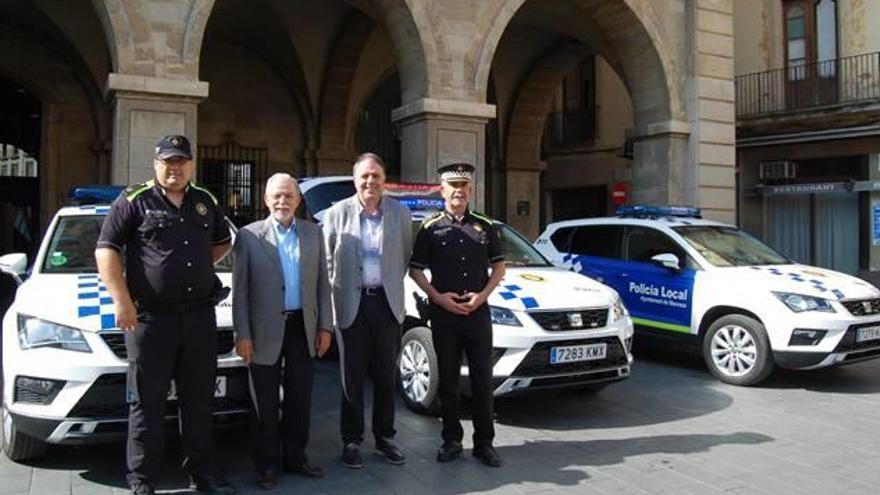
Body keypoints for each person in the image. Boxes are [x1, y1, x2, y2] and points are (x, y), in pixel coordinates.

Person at [95, 135, 235, 495]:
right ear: (156, 164)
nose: (174, 168)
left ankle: (202, 474)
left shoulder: (205, 201)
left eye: (181, 162)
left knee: (199, 401)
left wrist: (199, 268)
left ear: (191, 164)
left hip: (199, 319)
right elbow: (106, 250)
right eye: (167, 162)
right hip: (151, 321)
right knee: (147, 402)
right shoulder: (133, 201)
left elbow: (222, 241)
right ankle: (143, 480)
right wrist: (121, 299)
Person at [232, 173, 333, 490]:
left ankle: (295, 456)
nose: (282, 201)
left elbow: (322, 285)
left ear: (298, 200)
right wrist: (242, 334)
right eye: (276, 196)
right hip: (262, 331)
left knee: (300, 397)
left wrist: (325, 327)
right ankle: (266, 464)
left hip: (303, 326)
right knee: (263, 401)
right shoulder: (248, 237)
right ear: (265, 200)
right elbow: (241, 292)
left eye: (289, 195)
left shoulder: (313, 234)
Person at [408, 163, 506, 467]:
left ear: (470, 190)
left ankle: (484, 443)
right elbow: (415, 270)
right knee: (448, 381)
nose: (458, 191)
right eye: (452, 186)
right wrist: (438, 298)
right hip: (444, 316)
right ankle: (451, 440)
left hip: (478, 315)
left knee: (482, 380)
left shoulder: (485, 226)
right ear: (442, 190)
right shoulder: (430, 228)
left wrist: (481, 297)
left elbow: (499, 267)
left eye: (463, 186)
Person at [323, 153, 413, 468]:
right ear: (355, 179)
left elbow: (402, 257)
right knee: (352, 377)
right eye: (364, 176)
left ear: (384, 178)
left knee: (386, 375)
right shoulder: (336, 214)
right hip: (351, 305)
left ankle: (385, 437)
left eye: (376, 175)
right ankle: (351, 440)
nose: (370, 182)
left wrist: (386, 286)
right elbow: (327, 262)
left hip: (386, 304)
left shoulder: (400, 214)